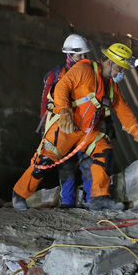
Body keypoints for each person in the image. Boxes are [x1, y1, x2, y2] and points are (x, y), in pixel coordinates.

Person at [12, 43, 138, 211]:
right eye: (119, 68)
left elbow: (124, 112)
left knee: (104, 150)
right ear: (110, 62)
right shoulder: (84, 70)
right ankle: (19, 194)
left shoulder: (112, 87)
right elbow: (62, 87)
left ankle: (99, 198)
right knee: (45, 160)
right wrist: (65, 112)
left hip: (87, 132)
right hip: (67, 127)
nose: (121, 73)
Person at [38, 34, 93, 208]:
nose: (83, 59)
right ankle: (67, 202)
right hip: (64, 129)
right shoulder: (54, 76)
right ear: (69, 55)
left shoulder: (90, 74)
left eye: (85, 55)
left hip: (85, 128)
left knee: (89, 163)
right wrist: (45, 132)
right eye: (79, 56)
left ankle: (93, 200)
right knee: (66, 167)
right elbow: (45, 106)